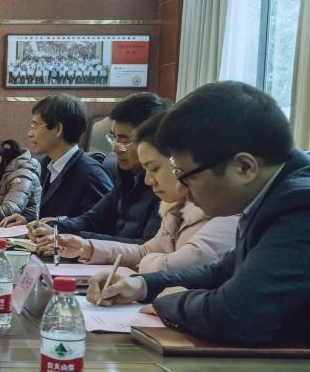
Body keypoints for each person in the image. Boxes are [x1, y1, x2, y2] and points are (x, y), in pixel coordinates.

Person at [89, 82, 310, 345]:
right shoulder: (270, 195)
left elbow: (236, 315)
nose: (182, 189)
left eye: (186, 175)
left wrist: (170, 302)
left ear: (244, 167)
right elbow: (220, 272)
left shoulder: (299, 206)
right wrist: (142, 285)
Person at [53, 112, 237, 272]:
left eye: (155, 168)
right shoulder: (174, 206)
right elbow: (146, 251)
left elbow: (178, 266)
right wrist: (87, 247)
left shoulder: (225, 211)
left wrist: (147, 263)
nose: (148, 180)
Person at [24, 92, 167, 252]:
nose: (115, 148)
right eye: (113, 138)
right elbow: (91, 219)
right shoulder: (127, 178)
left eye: (124, 140)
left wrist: (79, 241)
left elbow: (146, 248)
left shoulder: (163, 188)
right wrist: (54, 228)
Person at [0, 94, 111, 226]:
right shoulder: (48, 164)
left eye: (35, 126)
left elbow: (100, 225)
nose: (29, 134)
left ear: (58, 129)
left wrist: (55, 226)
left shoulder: (90, 173)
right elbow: (58, 217)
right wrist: (29, 221)